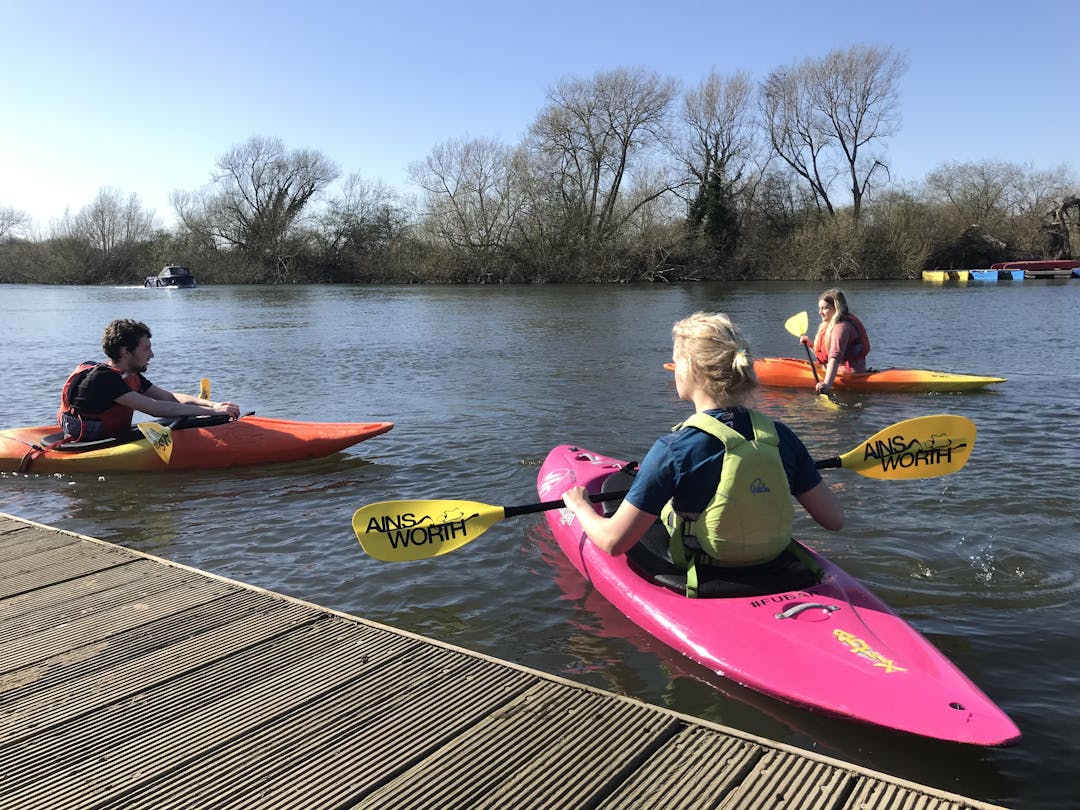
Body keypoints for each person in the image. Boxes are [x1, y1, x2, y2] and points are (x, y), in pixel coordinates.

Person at [561, 312, 843, 596]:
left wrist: (579, 507)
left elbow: (613, 543)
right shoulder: (782, 437)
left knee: (629, 498)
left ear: (692, 370)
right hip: (773, 564)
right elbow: (834, 520)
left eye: (676, 361)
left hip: (708, 573)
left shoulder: (673, 449)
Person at [58, 319, 240, 441]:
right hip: (89, 441)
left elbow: (168, 398)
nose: (152, 354)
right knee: (176, 420)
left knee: (181, 419)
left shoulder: (128, 374)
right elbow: (155, 408)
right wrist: (215, 413)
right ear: (126, 352)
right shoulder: (103, 379)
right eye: (146, 349)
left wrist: (213, 406)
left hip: (111, 435)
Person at [799, 288, 870, 393]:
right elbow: (826, 357)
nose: (820, 312)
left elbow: (834, 358)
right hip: (836, 372)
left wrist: (827, 384)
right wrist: (809, 344)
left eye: (824, 308)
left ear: (836, 308)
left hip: (846, 377)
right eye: (819, 308)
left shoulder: (841, 328)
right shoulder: (832, 325)